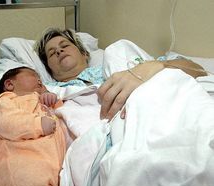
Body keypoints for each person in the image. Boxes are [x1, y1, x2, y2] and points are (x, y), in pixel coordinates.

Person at [35, 28, 207, 121]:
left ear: (85, 54)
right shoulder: (51, 91)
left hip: (169, 101)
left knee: (117, 47)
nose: (59, 50)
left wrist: (147, 69)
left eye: (64, 45)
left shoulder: (118, 58)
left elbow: (198, 70)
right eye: (51, 53)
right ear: (50, 71)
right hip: (122, 123)